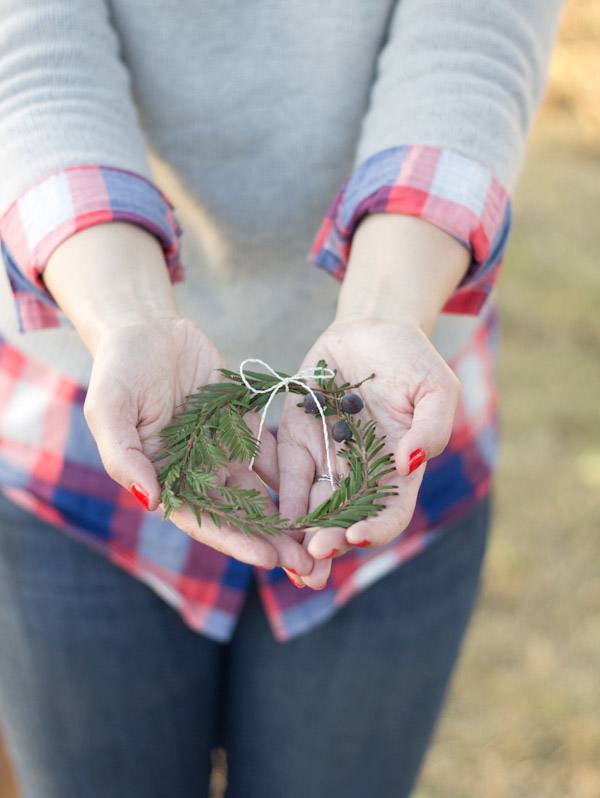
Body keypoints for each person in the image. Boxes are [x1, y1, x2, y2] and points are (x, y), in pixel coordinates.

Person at [0, 2, 563, 796]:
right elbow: (29, 51)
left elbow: (473, 36)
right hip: (86, 421)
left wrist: (385, 315)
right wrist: (127, 317)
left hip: (393, 407)